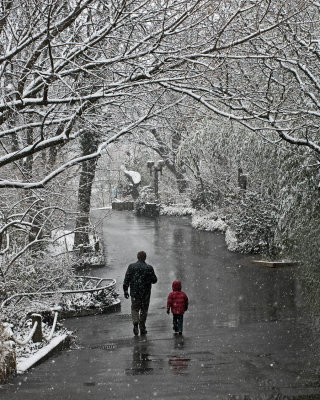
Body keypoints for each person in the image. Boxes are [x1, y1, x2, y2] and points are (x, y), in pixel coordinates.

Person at [123, 251, 157, 336]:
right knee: (144, 310)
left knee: (135, 308)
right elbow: (154, 280)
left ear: (137, 257)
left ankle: (135, 323)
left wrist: (126, 290)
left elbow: (127, 279)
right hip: (145, 293)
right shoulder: (149, 268)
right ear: (145, 258)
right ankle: (142, 326)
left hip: (135, 292)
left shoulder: (131, 267)